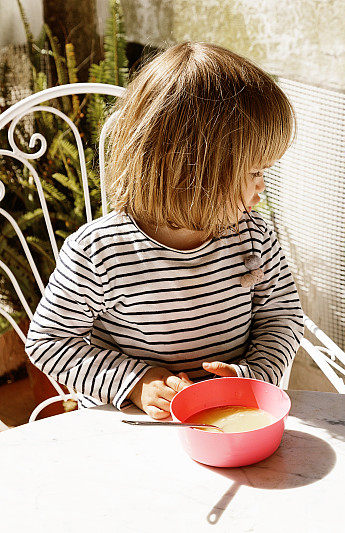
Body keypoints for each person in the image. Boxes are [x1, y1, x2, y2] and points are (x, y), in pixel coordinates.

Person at [24, 41, 303, 420]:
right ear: (193, 172)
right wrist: (138, 382)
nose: (262, 186)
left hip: (230, 416)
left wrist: (246, 377)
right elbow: (49, 342)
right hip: (130, 425)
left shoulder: (254, 238)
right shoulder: (99, 252)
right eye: (254, 171)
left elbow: (282, 318)